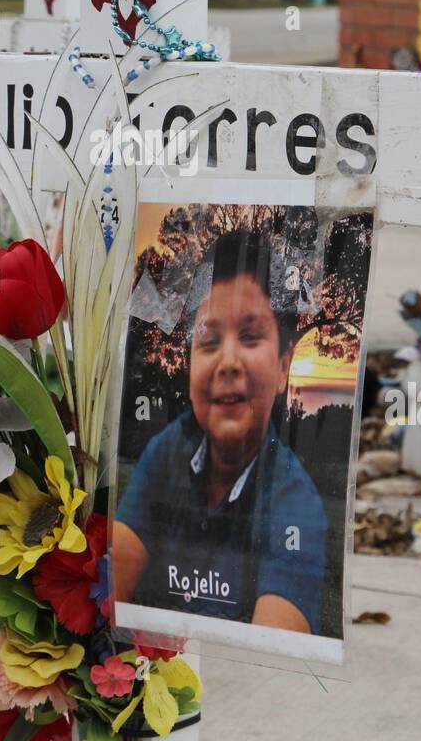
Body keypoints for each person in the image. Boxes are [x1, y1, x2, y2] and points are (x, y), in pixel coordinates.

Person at [114, 229, 328, 632]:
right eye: (208, 340)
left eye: (250, 336)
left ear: (284, 366)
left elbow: (273, 662)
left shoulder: (296, 503)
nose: (227, 361)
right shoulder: (166, 451)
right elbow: (106, 588)